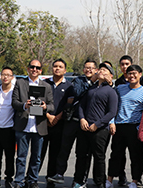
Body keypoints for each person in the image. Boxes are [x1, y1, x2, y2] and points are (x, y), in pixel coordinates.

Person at [48, 59, 98, 188]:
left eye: (92, 68)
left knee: (82, 154)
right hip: (72, 120)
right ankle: (59, 173)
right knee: (64, 148)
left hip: (87, 123)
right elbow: (78, 93)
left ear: (96, 70)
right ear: (83, 70)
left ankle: (78, 180)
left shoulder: (100, 84)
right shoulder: (78, 81)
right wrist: (91, 81)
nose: (89, 70)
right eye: (86, 68)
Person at [12, 59, 55, 188]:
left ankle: (32, 180)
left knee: (36, 157)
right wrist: (24, 105)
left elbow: (52, 105)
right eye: (32, 67)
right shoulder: (20, 83)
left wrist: (45, 106)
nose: (34, 69)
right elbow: (14, 102)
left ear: (41, 70)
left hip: (39, 126)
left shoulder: (46, 86)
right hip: (23, 126)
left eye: (37, 68)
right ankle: (19, 181)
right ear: (28, 69)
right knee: (21, 157)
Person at [106, 65, 143, 188]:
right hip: (119, 126)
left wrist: (141, 128)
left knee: (136, 156)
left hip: (134, 128)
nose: (132, 76)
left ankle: (135, 181)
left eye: (134, 73)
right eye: (129, 73)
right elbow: (113, 107)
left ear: (140, 74)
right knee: (115, 155)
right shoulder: (120, 89)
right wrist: (112, 122)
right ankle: (109, 179)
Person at [77, 62, 118, 188]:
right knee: (81, 155)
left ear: (110, 76)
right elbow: (81, 105)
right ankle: (79, 181)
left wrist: (97, 124)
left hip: (100, 129)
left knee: (99, 157)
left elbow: (112, 112)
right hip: (85, 127)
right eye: (100, 69)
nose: (101, 71)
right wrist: (82, 119)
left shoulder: (111, 91)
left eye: (105, 70)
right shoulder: (91, 88)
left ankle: (100, 182)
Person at [41, 59, 72, 188]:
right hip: (43, 123)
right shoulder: (44, 83)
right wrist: (48, 116)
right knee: (39, 153)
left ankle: (50, 179)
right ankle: (31, 178)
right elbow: (38, 101)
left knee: (54, 153)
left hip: (59, 124)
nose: (57, 68)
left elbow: (68, 105)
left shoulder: (69, 86)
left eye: (60, 67)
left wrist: (57, 118)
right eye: (55, 66)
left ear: (65, 70)